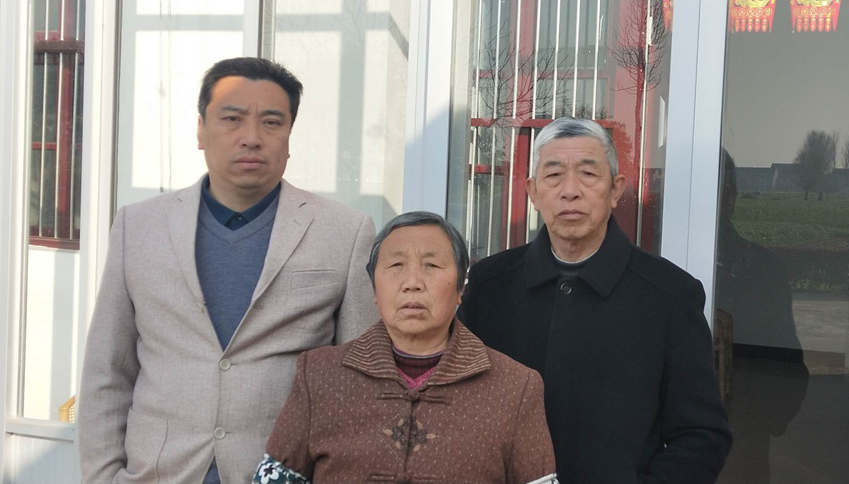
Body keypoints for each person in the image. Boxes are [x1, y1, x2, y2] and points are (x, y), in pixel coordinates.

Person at [78, 57, 378, 484]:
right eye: (232, 119)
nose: (251, 138)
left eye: (271, 122)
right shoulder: (138, 226)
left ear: (289, 135)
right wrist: (102, 476)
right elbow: (107, 371)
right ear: (201, 129)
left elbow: (361, 382)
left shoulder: (345, 232)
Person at [458, 117, 732, 484]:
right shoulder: (489, 286)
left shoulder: (669, 295)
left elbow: (701, 436)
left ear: (615, 190)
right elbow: (455, 404)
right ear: (533, 192)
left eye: (588, 174)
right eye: (554, 175)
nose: (570, 190)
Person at [254, 212, 557, 484]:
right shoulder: (319, 375)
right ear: (374, 288)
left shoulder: (515, 387)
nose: (413, 282)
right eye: (396, 265)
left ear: (460, 288)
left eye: (432, 265)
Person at [714, 149, 808, 483]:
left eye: (726, 189)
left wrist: (753, 424)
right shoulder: (762, 267)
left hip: (740, 445)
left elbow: (785, 365)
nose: (724, 198)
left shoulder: (762, 269)